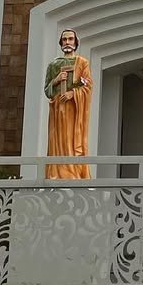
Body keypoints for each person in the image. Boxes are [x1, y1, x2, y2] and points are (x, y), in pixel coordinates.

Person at [44, 29, 92, 179]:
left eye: (70, 39)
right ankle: (57, 173)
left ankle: (74, 173)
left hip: (74, 110)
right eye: (64, 40)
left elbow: (88, 85)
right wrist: (56, 80)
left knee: (72, 141)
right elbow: (47, 90)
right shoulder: (53, 65)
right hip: (58, 110)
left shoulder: (82, 63)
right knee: (57, 142)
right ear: (61, 43)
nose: (67, 43)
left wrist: (73, 94)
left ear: (76, 42)